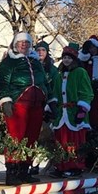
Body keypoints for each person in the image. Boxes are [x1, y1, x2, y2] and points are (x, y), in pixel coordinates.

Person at [0, 32, 53, 185]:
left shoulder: (35, 62)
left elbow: (44, 82)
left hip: (36, 105)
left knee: (31, 138)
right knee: (16, 138)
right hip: (18, 104)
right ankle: (12, 172)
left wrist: (50, 99)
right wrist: (5, 101)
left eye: (27, 43)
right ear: (15, 44)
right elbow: (2, 82)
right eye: (21, 42)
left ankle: (24, 170)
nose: (24, 45)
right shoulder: (9, 62)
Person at [51, 44, 94, 177]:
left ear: (74, 59)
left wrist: (82, 109)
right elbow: (55, 93)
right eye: (64, 58)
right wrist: (51, 107)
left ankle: (75, 166)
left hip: (74, 113)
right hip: (62, 115)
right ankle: (61, 166)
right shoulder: (59, 75)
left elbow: (87, 92)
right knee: (61, 141)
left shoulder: (80, 72)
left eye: (69, 58)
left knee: (74, 142)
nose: (66, 60)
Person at [33, 40, 62, 175]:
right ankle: (33, 163)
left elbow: (56, 88)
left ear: (47, 52)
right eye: (38, 50)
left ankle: (51, 162)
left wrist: (52, 106)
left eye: (43, 50)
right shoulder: (31, 66)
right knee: (34, 136)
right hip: (35, 104)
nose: (40, 52)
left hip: (49, 106)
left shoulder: (53, 70)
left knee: (48, 136)